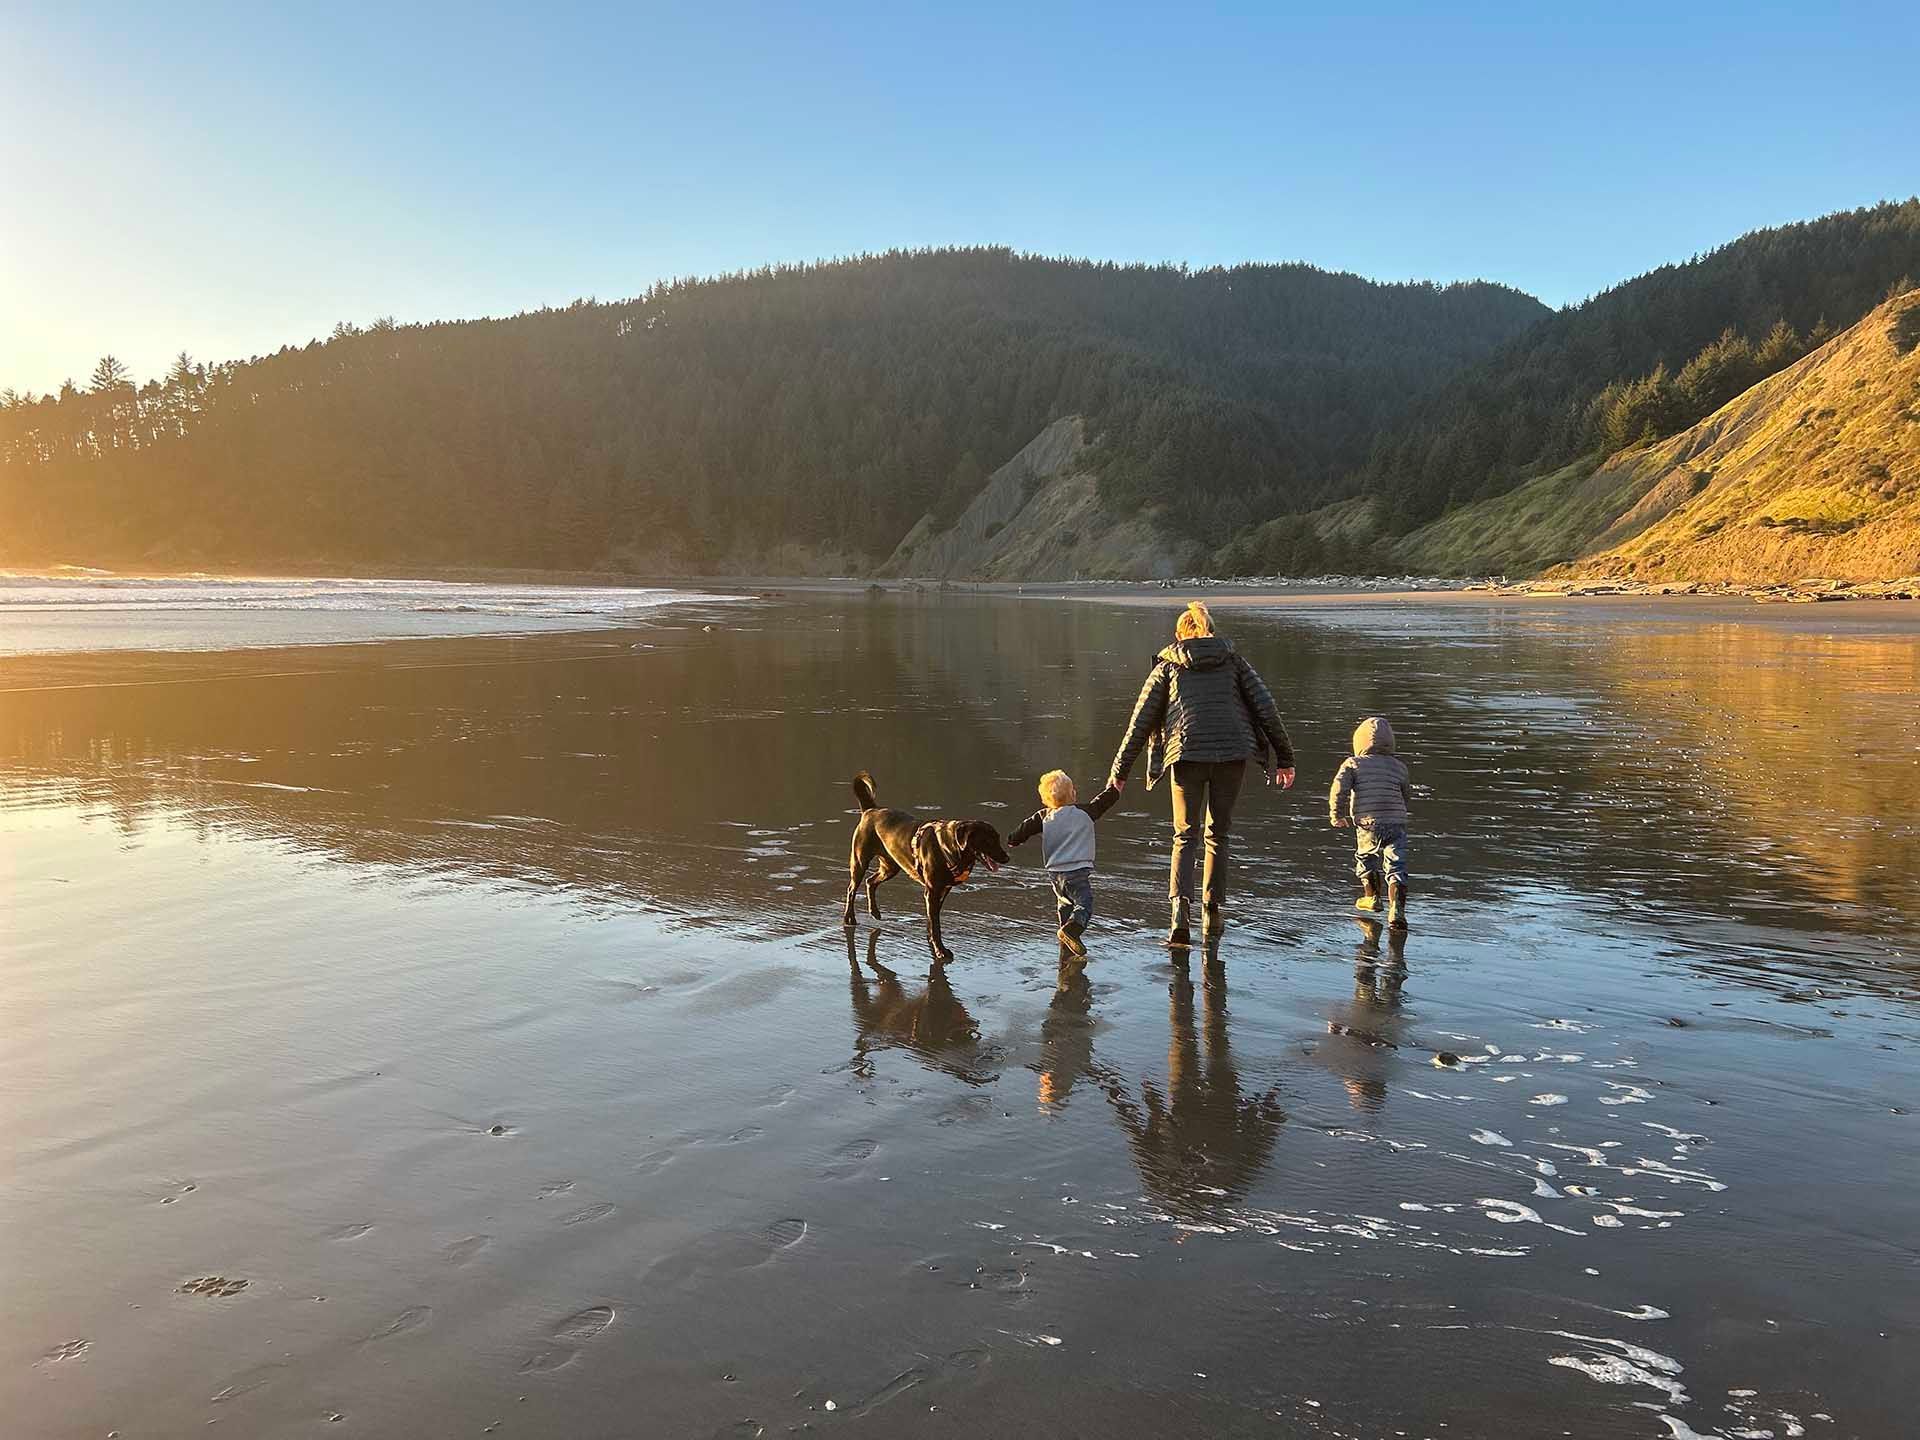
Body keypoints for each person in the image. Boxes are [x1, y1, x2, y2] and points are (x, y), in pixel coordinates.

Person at [1108, 600, 1295, 946]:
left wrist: (1120, 771)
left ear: (1180, 635)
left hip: (1186, 753)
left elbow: (1140, 723)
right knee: (1218, 835)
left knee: (1185, 835)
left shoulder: (1167, 667)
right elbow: (1266, 709)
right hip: (1232, 754)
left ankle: (1180, 915)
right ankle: (1212, 913)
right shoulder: (1235, 662)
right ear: (1210, 629)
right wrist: (1285, 758)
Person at [1008, 769, 1122, 957]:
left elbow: (1020, 832)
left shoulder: (1043, 816)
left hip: (1055, 875)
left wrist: (1014, 840)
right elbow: (1104, 801)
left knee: (1064, 904)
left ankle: (1065, 943)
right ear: (1072, 794)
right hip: (1077, 872)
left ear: (1045, 799)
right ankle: (1070, 931)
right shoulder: (1084, 812)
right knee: (1084, 904)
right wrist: (1115, 786)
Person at [1329, 715, 1412, 929]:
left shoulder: (1353, 764)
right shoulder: (1399, 766)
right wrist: (1401, 813)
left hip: (1368, 822)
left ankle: (1372, 897)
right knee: (1396, 865)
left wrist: (1336, 815)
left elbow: (1340, 789)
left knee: (1366, 857)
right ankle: (1397, 910)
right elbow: (1406, 794)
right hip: (1396, 822)